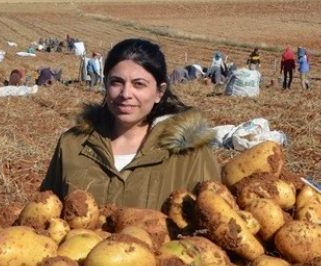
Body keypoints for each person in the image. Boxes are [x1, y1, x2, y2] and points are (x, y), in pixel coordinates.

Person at [40, 38, 221, 209]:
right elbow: (46, 209)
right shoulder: (72, 144)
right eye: (116, 82)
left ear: (159, 92)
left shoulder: (191, 154)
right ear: (105, 85)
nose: (126, 93)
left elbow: (212, 220)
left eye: (139, 84)